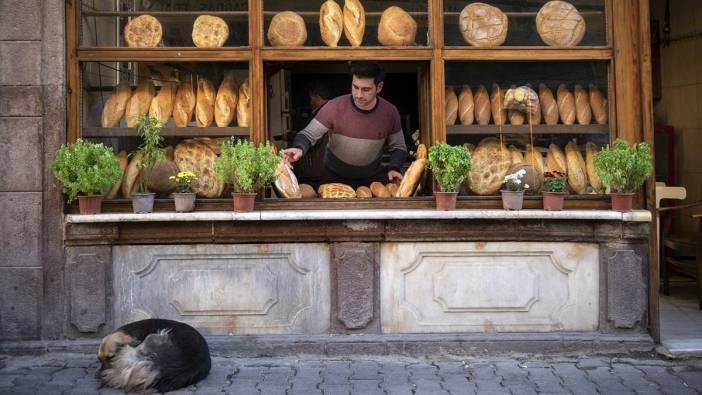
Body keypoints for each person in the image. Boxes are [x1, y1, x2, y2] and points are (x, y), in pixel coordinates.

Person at [281, 61, 407, 189]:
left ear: (379, 87)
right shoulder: (334, 107)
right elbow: (307, 134)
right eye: (355, 87)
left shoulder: (390, 112)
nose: (358, 95)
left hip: (371, 182)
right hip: (333, 180)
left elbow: (399, 147)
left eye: (366, 89)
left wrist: (395, 167)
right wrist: (299, 147)